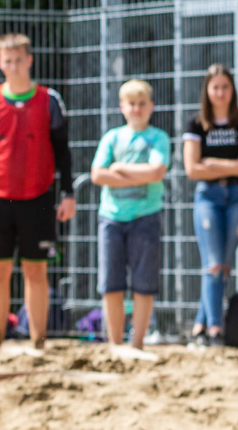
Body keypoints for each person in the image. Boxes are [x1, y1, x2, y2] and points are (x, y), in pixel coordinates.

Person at [0, 32, 75, 353]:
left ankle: (38, 343)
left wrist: (68, 193)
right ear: (0, 63)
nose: (13, 65)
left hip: (38, 197)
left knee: (35, 270)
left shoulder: (49, 99)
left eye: (18, 59)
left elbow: (63, 151)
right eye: (7, 60)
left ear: (30, 60)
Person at [182, 64, 238, 346]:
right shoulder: (195, 123)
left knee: (222, 265)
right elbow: (192, 169)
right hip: (208, 198)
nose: (220, 92)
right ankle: (215, 330)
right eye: (215, 87)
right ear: (207, 90)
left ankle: (200, 325)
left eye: (225, 86)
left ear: (232, 90)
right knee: (214, 264)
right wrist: (233, 165)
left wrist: (213, 164)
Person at [90, 79, 170, 350]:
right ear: (122, 107)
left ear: (151, 107)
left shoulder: (159, 137)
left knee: (144, 283)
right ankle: (115, 344)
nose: (136, 109)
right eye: (131, 104)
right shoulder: (112, 137)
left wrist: (120, 169)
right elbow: (98, 174)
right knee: (111, 283)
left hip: (146, 217)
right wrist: (138, 176)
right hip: (112, 218)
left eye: (142, 104)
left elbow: (157, 172)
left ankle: (137, 344)